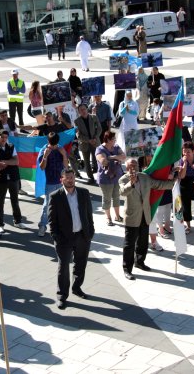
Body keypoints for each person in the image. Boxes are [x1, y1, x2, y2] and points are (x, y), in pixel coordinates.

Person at [119, 159, 174, 280]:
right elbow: (122, 192)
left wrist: (175, 180)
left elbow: (160, 184)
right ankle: (127, 269)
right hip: (132, 217)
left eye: (136, 165)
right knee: (129, 244)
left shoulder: (145, 177)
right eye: (131, 165)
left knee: (143, 242)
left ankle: (140, 262)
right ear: (126, 167)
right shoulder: (123, 179)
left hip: (145, 215)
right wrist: (131, 183)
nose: (134, 167)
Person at [48, 167, 95, 310]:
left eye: (72, 177)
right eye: (67, 177)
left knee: (81, 264)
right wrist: (57, 237)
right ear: (61, 179)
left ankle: (77, 287)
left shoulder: (84, 193)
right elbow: (52, 221)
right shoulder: (55, 196)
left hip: (82, 235)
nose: (70, 180)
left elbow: (89, 214)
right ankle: (62, 295)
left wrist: (90, 232)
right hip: (64, 239)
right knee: (63, 267)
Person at [0, 130, 26, 235]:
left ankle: (18, 221)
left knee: (15, 200)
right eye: (2, 137)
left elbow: (16, 161)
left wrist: (5, 161)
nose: (4, 140)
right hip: (1, 179)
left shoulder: (11, 146)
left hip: (14, 177)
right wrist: (8, 162)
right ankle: (0, 224)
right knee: (0, 202)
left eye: (6, 137)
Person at [37, 132, 68, 236]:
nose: (54, 146)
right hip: (50, 182)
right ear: (48, 141)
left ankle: (59, 226)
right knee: (47, 205)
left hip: (60, 182)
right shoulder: (44, 150)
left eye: (55, 144)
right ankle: (42, 226)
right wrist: (45, 156)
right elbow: (42, 167)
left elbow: (66, 167)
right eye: (52, 144)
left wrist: (64, 155)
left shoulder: (60, 149)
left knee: (60, 205)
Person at [95, 131, 126, 226]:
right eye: (113, 139)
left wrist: (112, 157)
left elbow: (124, 157)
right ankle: (108, 218)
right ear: (107, 140)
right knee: (107, 199)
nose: (115, 140)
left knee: (116, 197)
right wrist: (116, 158)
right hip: (105, 178)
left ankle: (117, 216)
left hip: (117, 177)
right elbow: (103, 161)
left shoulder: (116, 147)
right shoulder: (99, 149)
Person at [74, 104, 102, 185]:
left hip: (95, 142)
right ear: (79, 112)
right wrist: (89, 140)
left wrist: (95, 138)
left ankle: (100, 176)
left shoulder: (94, 117)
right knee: (86, 162)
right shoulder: (77, 121)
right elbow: (78, 135)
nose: (83, 111)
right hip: (85, 144)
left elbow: (99, 129)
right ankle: (91, 178)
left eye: (84, 109)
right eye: (80, 110)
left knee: (98, 160)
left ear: (87, 109)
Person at [178, 142, 194, 233]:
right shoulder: (182, 160)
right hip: (185, 183)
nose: (186, 154)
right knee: (185, 206)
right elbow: (182, 176)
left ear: (193, 151)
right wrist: (184, 164)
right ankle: (188, 226)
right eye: (184, 152)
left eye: (188, 152)